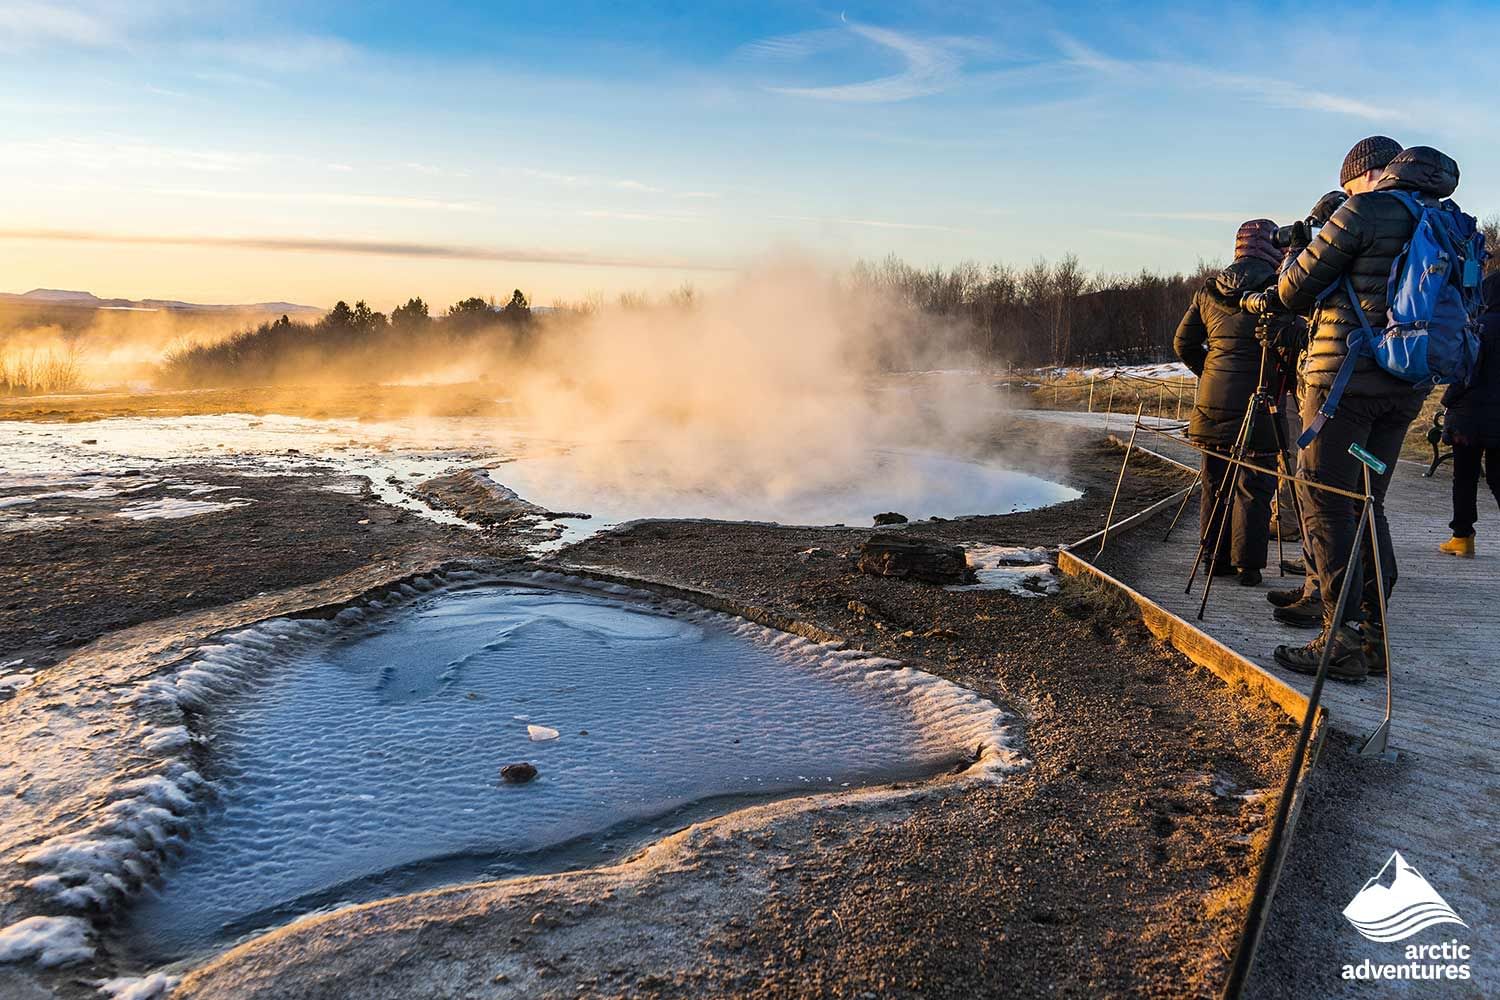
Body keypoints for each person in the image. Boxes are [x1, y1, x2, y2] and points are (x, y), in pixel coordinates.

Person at [1271, 142, 1464, 681]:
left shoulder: (1363, 210)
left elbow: (1292, 291)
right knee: (1366, 501)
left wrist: (1298, 247)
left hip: (1344, 388)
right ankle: (1374, 636)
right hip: (1404, 390)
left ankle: (1342, 639)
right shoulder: (1447, 219)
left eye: (1352, 181)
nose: (1350, 190)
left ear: (1373, 174)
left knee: (1327, 501)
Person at [1173, 220, 1282, 586]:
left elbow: (1182, 344)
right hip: (1260, 398)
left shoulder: (1209, 290)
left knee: (1214, 481)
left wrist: (1210, 373)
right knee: (1255, 485)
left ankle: (1213, 560)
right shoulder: (1280, 289)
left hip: (1212, 402)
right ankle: (1247, 568)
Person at [1437, 271, 1500, 555]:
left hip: (1468, 418)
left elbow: (1465, 371)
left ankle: (1463, 538)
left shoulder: (1478, 326)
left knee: (1465, 476)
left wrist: (1448, 399)